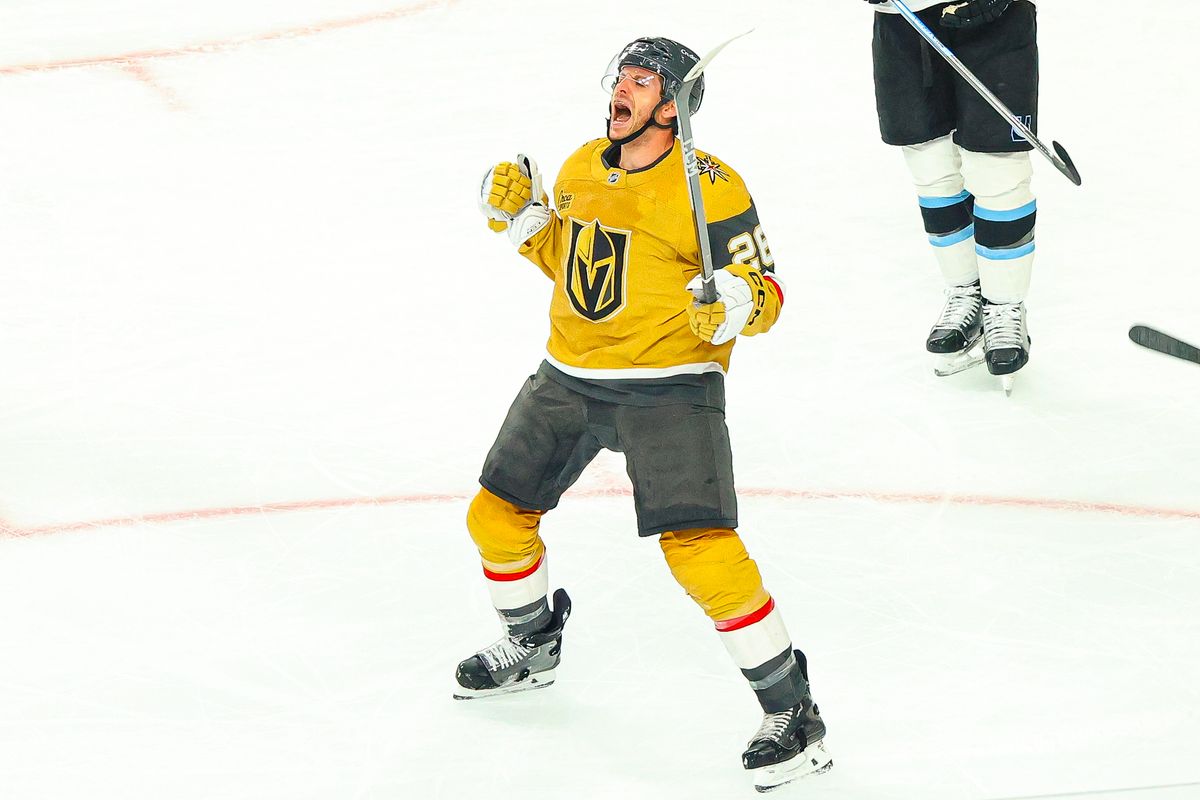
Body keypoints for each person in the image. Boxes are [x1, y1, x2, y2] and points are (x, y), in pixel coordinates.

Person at [454, 36, 831, 791]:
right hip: (569, 374)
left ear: (672, 105)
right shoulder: (581, 165)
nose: (619, 91)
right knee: (495, 516)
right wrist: (528, 219)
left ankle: (794, 713)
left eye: (640, 81)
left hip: (669, 388)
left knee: (700, 550)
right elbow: (576, 267)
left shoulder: (712, 189)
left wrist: (737, 302)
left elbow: (768, 293)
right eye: (619, 76)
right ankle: (531, 645)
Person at [867, 0, 1038, 389]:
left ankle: (1005, 307)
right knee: (930, 164)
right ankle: (966, 292)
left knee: (999, 166)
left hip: (995, 19)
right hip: (901, 19)